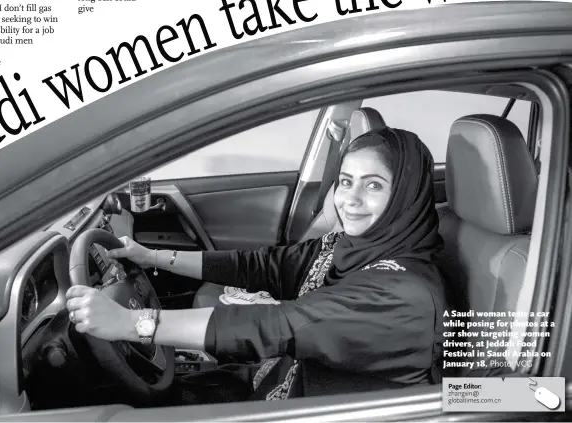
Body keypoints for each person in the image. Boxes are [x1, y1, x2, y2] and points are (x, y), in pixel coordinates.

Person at [65, 126, 448, 402]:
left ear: (405, 197)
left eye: (374, 185)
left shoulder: (403, 296)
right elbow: (264, 266)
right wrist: (154, 258)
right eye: (346, 182)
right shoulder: (351, 245)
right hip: (280, 379)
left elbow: (277, 325)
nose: (350, 200)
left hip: (312, 406)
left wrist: (132, 323)